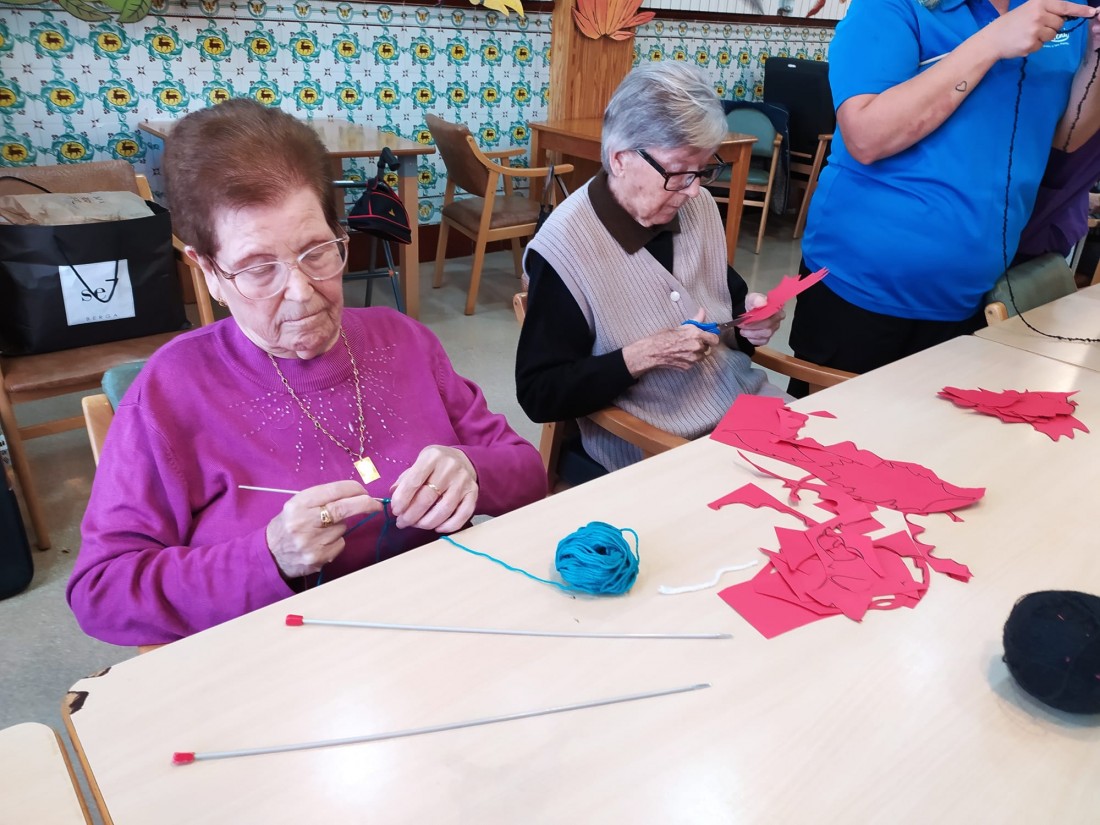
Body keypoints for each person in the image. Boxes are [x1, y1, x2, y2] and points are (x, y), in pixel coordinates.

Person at [68, 100, 546, 646]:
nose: (300, 292)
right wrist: (266, 556)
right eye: (257, 268)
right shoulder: (170, 391)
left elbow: (527, 471)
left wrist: (472, 471)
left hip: (438, 630)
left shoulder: (404, 340)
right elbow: (101, 593)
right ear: (209, 273)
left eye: (317, 251)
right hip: (281, 658)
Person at [791, 0, 1100, 394]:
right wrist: (991, 42)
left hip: (972, 289)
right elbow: (866, 137)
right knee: (832, 429)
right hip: (861, 282)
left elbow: (1062, 139)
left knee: (929, 430)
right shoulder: (893, 6)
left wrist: (1095, 57)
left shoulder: (1061, 12)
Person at [515, 62, 787, 474]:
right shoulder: (565, 248)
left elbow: (726, 309)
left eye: (704, 170)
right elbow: (540, 393)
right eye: (678, 172)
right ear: (620, 159)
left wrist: (751, 323)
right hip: (657, 448)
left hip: (748, 412)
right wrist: (642, 356)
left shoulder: (698, 207)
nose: (694, 190)